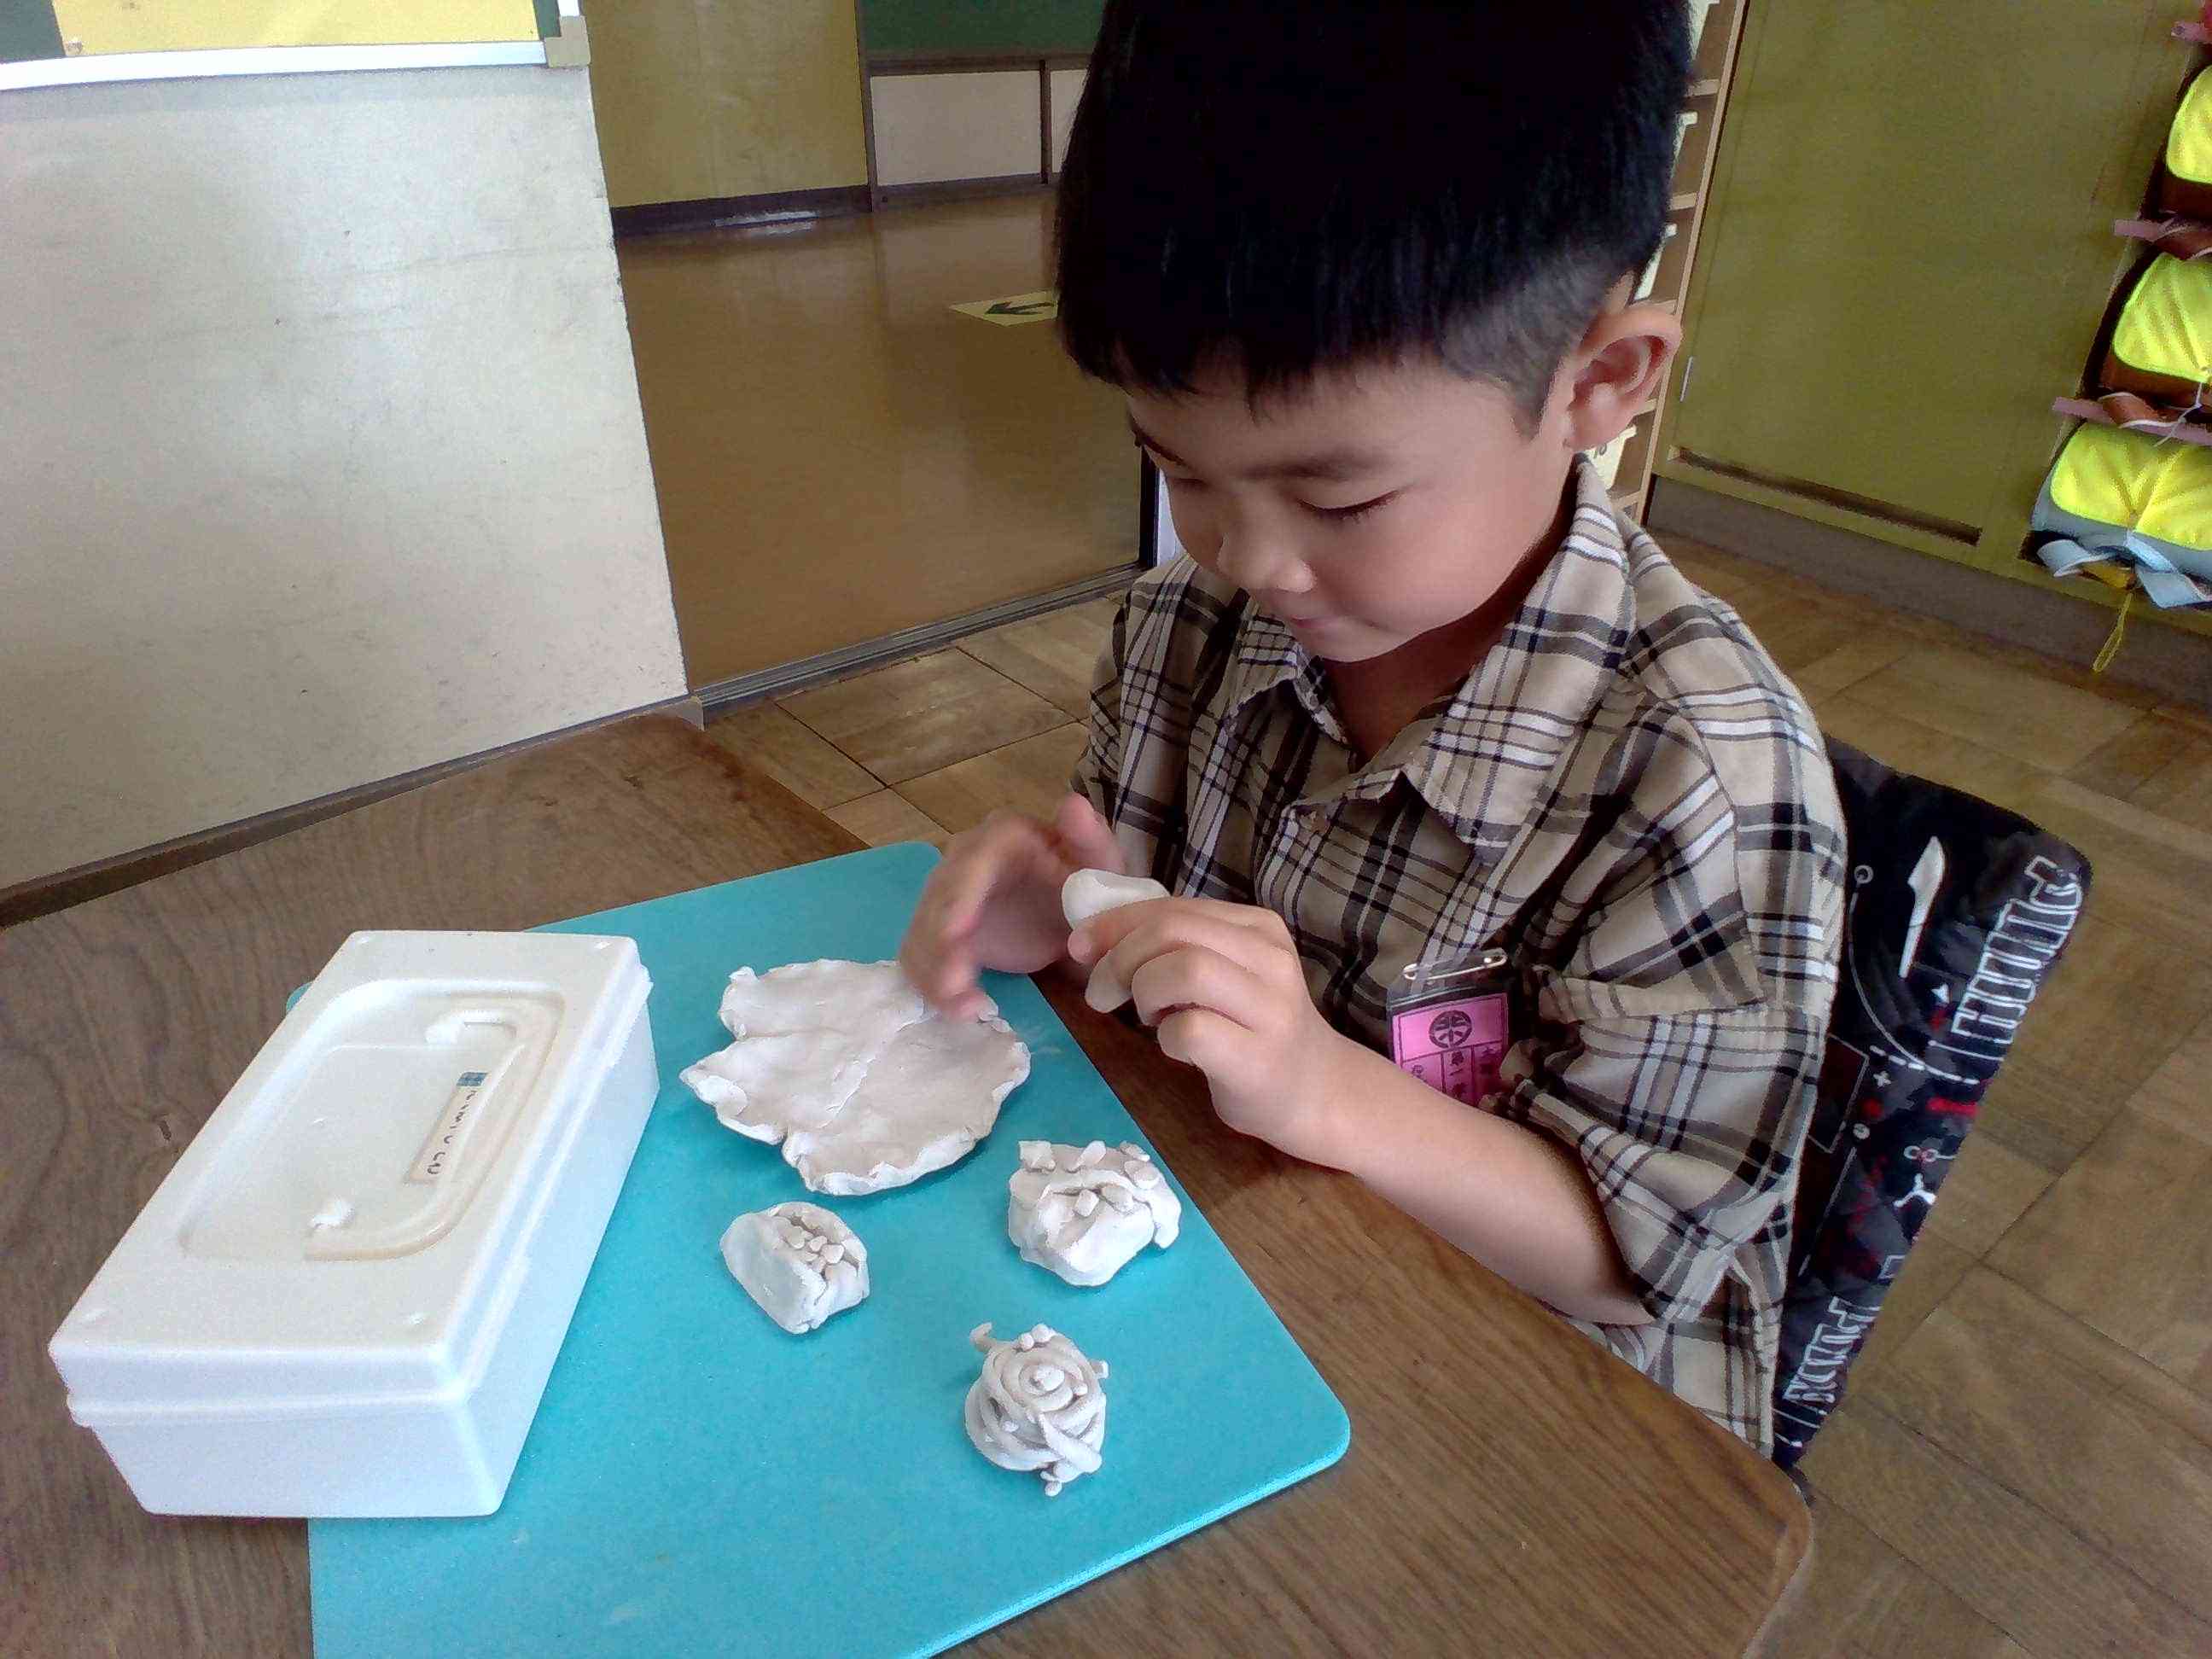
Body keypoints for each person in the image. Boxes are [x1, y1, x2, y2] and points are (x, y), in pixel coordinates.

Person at [899, 0, 1846, 1456]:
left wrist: (1320, 1088)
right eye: (1178, 469)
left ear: (1598, 384)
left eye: (1339, 497)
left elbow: (1625, 1260)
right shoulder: (1186, 629)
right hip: (1235, 1280)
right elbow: (1150, 965)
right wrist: (1071, 919)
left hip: (1526, 1395)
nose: (1247, 559)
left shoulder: (1700, 777)